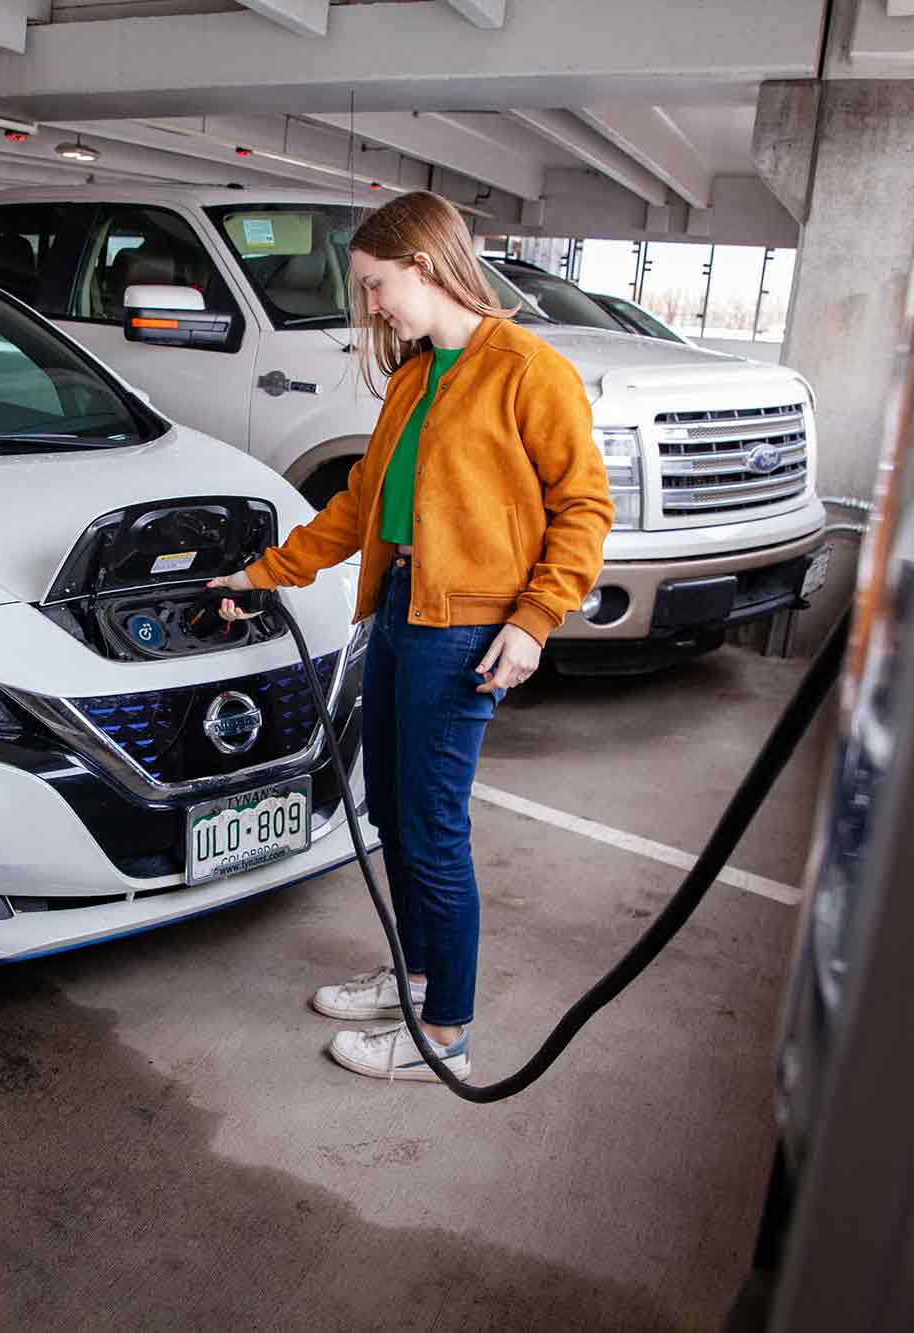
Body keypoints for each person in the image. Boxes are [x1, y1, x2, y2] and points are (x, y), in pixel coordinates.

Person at [207, 192, 613, 1083]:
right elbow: (359, 505)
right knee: (390, 810)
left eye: (376, 284)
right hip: (396, 609)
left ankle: (448, 1032)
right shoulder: (414, 377)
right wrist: (264, 571)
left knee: (431, 829)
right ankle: (416, 976)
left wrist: (536, 619)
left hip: (463, 630)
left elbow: (584, 507)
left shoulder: (525, 371)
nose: (373, 306)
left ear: (425, 266)